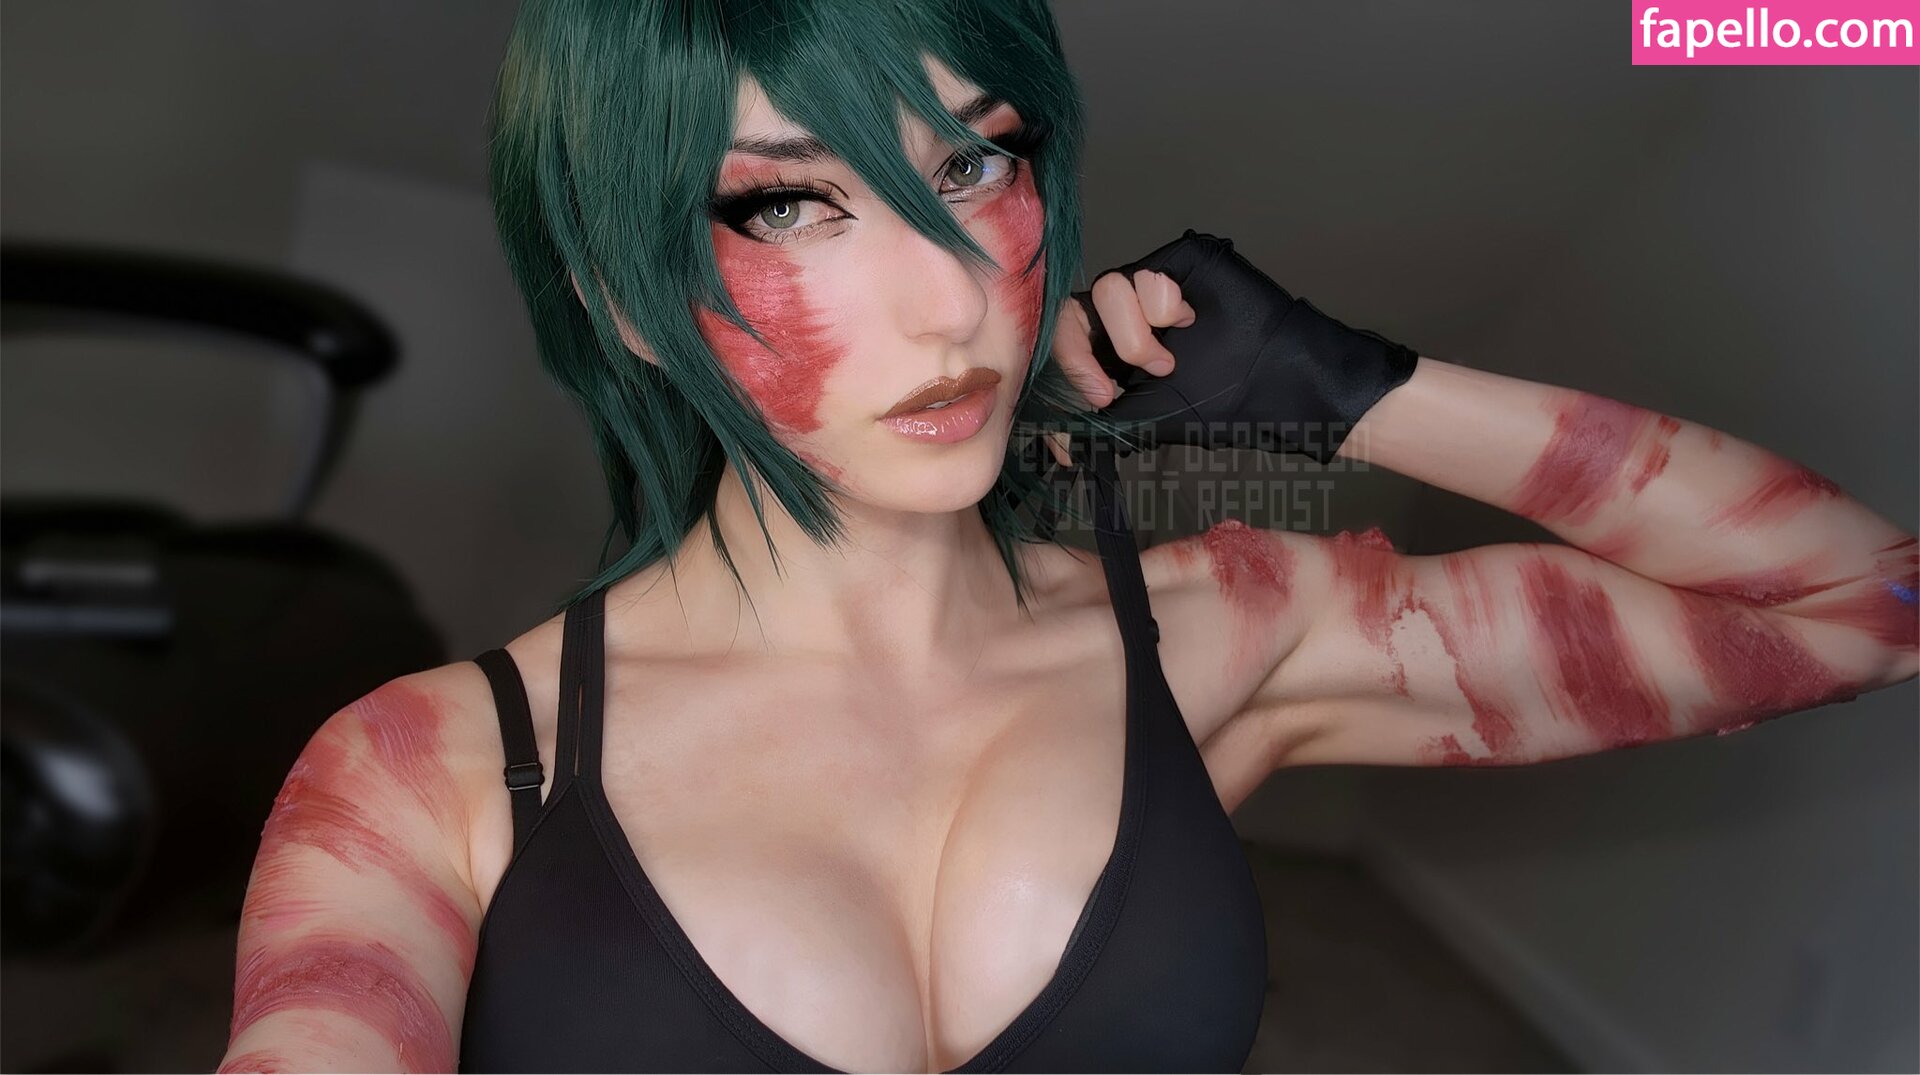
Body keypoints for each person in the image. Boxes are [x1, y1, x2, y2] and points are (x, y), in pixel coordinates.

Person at [215, 0, 1920, 1072]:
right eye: (790, 201)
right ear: (621, 300)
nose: (951, 297)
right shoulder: (432, 775)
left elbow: (1862, 602)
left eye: (974, 168)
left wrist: (1354, 393)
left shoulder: (1218, 633)